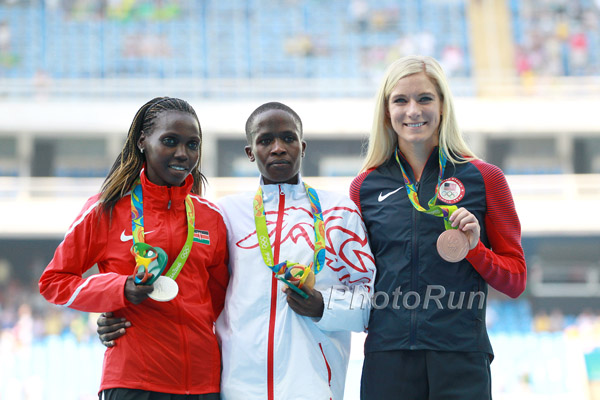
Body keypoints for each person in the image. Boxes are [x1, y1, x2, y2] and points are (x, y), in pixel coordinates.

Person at [98, 102, 377, 400]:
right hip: (237, 388)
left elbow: (370, 299)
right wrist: (122, 311)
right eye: (266, 140)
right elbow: (191, 290)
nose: (278, 148)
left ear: (302, 146)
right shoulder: (225, 215)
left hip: (313, 386)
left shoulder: (339, 212)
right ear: (250, 152)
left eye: (288, 138)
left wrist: (324, 307)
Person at [349, 55, 527, 399]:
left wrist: (475, 249)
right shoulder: (364, 187)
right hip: (388, 358)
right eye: (400, 100)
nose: (413, 110)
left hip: (460, 356)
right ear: (387, 111)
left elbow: (516, 280)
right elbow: (354, 275)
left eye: (425, 98)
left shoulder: (485, 178)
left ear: (443, 106)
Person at [39, 97, 229, 400]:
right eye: (170, 141)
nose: (183, 153)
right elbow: (53, 282)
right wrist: (118, 290)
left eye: (192, 145)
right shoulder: (107, 209)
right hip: (133, 380)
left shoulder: (212, 217)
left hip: (203, 381)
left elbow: (219, 300)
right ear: (142, 140)